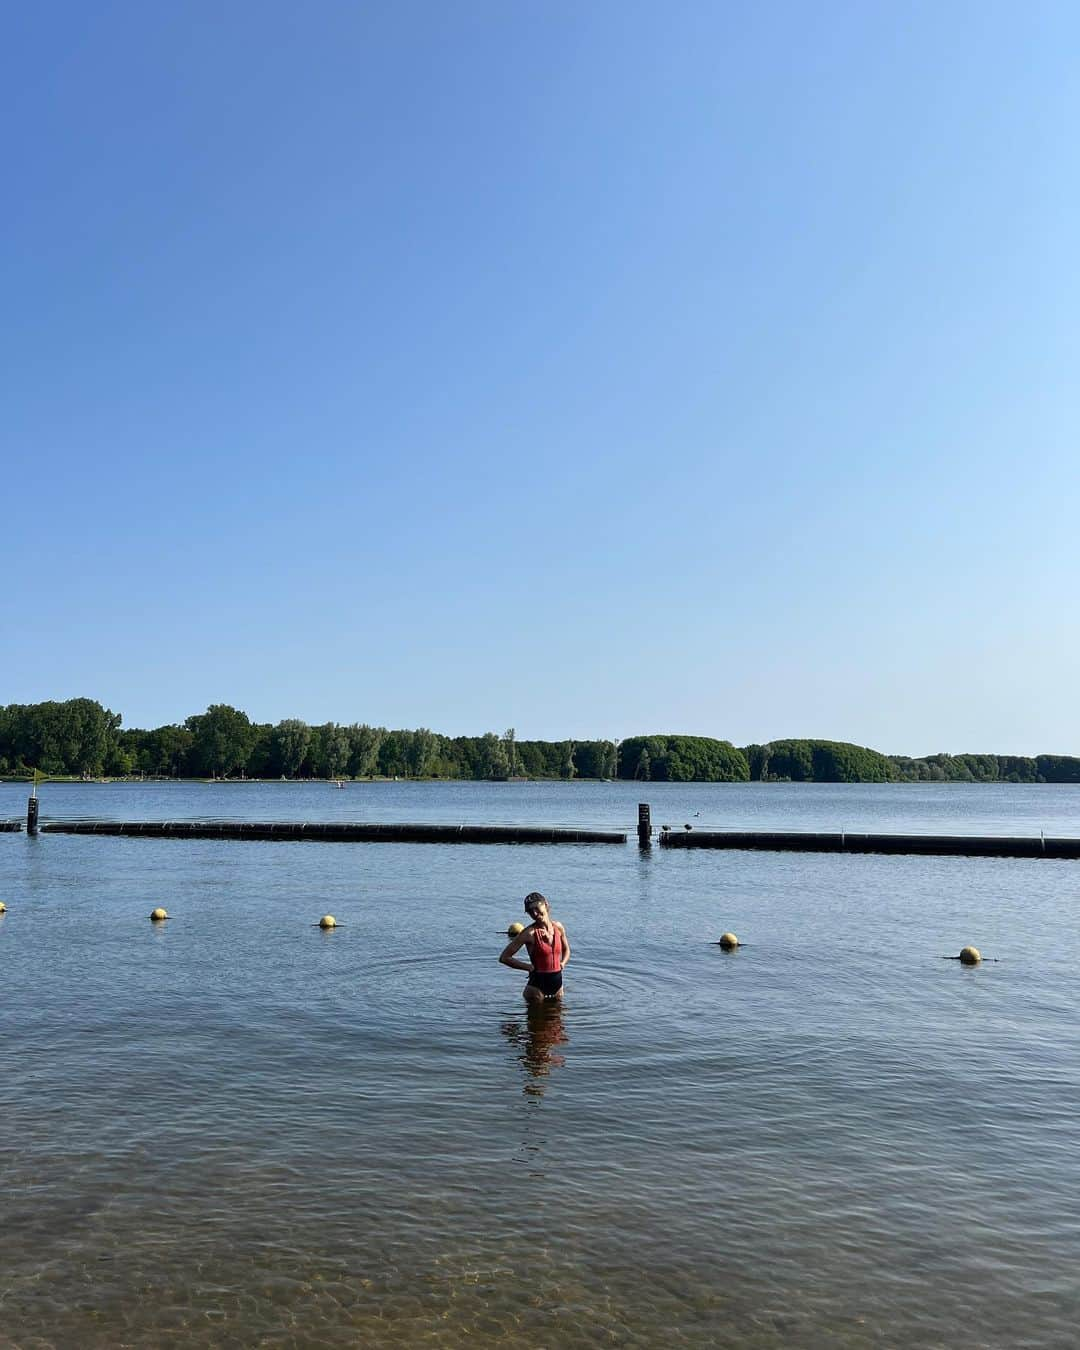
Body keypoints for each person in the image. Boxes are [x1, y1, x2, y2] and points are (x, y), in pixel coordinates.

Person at [499, 891, 570, 1002]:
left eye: (536, 908)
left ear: (545, 904)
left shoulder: (558, 927)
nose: (535, 914)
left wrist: (563, 963)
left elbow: (566, 949)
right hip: (536, 988)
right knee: (536, 1019)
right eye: (530, 912)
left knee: (558, 1019)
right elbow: (504, 958)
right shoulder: (529, 933)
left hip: (558, 988)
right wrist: (528, 967)